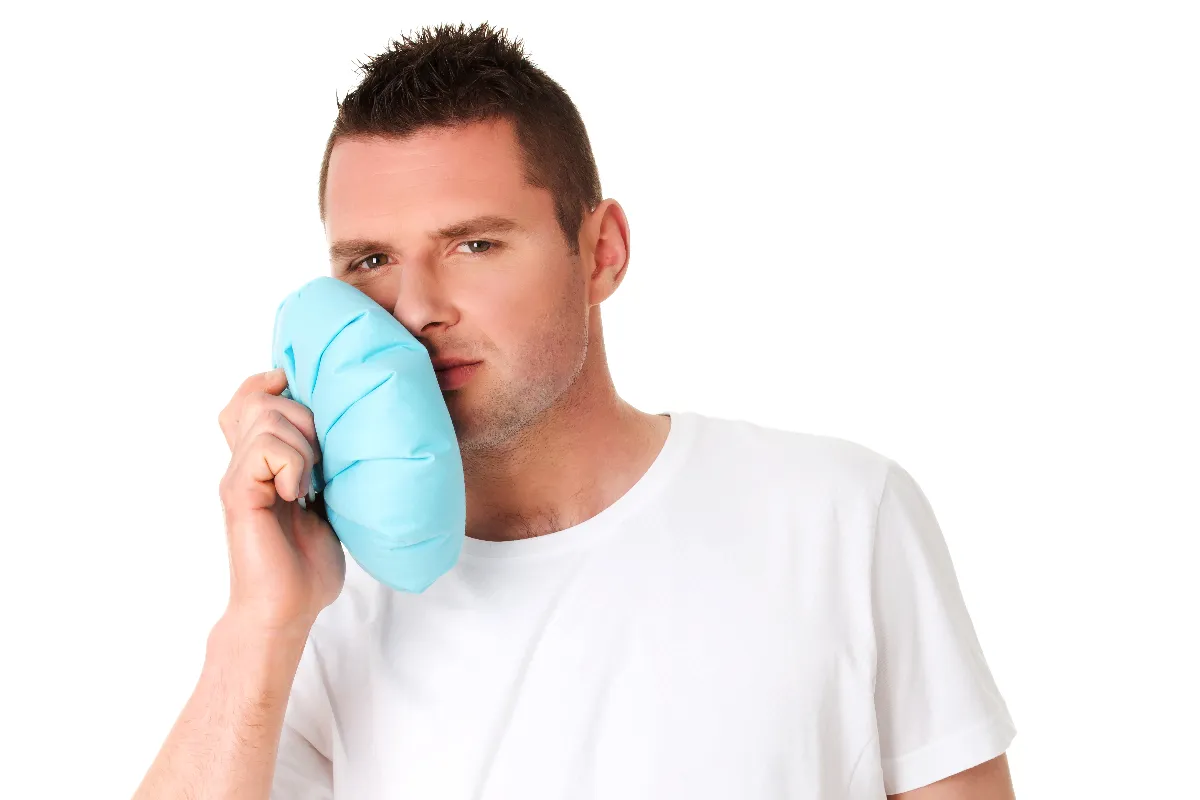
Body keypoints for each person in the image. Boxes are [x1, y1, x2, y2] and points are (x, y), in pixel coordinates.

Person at [133, 22, 1016, 800]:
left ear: (602, 253)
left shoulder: (839, 516)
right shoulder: (324, 598)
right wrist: (262, 623)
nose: (413, 309)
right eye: (369, 261)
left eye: (474, 244)